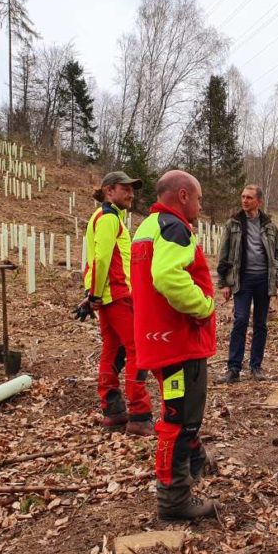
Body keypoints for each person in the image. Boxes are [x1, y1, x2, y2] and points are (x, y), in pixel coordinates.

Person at [131, 170, 217, 521]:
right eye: (197, 198)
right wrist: (204, 306)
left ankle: (194, 462)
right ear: (183, 196)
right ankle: (174, 499)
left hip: (158, 339)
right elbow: (167, 277)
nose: (199, 205)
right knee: (180, 420)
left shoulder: (147, 227)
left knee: (181, 414)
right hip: (178, 342)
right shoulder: (174, 228)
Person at [81, 171, 153, 436]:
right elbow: (101, 259)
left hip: (108, 296)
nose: (131, 194)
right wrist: (96, 296)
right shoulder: (110, 218)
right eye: (126, 189)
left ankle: (113, 410)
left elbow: (95, 261)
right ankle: (139, 414)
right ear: (109, 191)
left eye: (132, 190)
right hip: (118, 295)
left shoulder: (102, 217)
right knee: (137, 351)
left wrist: (92, 295)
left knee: (111, 350)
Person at [216, 184, 278, 383]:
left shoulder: (269, 226)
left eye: (249, 197)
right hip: (242, 280)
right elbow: (224, 253)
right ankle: (233, 368)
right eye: (243, 196)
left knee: (260, 324)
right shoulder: (234, 223)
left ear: (259, 201)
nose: (245, 200)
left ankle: (256, 367)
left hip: (264, 280)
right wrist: (224, 283)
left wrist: (277, 272)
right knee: (240, 320)